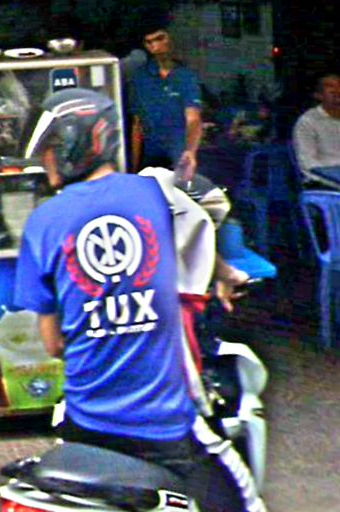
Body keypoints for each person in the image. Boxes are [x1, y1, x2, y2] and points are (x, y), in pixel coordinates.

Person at [14, 87, 266, 512]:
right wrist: (224, 275)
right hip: (164, 428)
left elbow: (53, 344)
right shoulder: (154, 193)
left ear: (79, 142)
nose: (45, 160)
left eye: (50, 148)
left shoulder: (42, 222)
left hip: (85, 424)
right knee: (245, 500)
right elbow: (208, 214)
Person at [129, 19, 203, 179]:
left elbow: (193, 118)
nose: (155, 46)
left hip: (179, 154)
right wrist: (134, 169)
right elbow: (137, 125)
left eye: (160, 39)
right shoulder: (140, 77)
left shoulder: (185, 76)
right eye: (149, 42)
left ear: (170, 39)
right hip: (152, 155)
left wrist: (190, 151)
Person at [292, 73, 340, 189]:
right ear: (318, 96)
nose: (338, 95)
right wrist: (335, 178)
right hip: (324, 183)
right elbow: (308, 165)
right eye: (332, 92)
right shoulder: (307, 122)